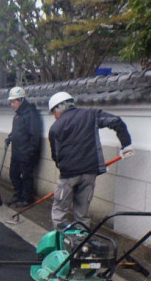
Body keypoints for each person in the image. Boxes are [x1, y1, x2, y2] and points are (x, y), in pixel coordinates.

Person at [48, 91, 134, 230]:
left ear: (59, 107)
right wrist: (126, 145)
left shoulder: (55, 128)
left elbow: (56, 156)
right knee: (82, 212)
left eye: (54, 112)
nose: (55, 116)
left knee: (59, 210)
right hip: (89, 173)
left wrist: (63, 167)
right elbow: (116, 121)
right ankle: (82, 245)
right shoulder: (91, 114)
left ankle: (62, 242)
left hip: (69, 175)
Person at [5, 86, 42, 207]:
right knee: (13, 174)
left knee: (26, 176)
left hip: (26, 153)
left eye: (13, 101)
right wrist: (10, 137)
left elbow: (35, 135)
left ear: (21, 100)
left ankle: (27, 198)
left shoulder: (31, 114)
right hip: (16, 152)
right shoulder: (18, 115)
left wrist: (30, 153)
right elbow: (17, 131)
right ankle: (18, 195)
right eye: (11, 102)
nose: (12, 104)